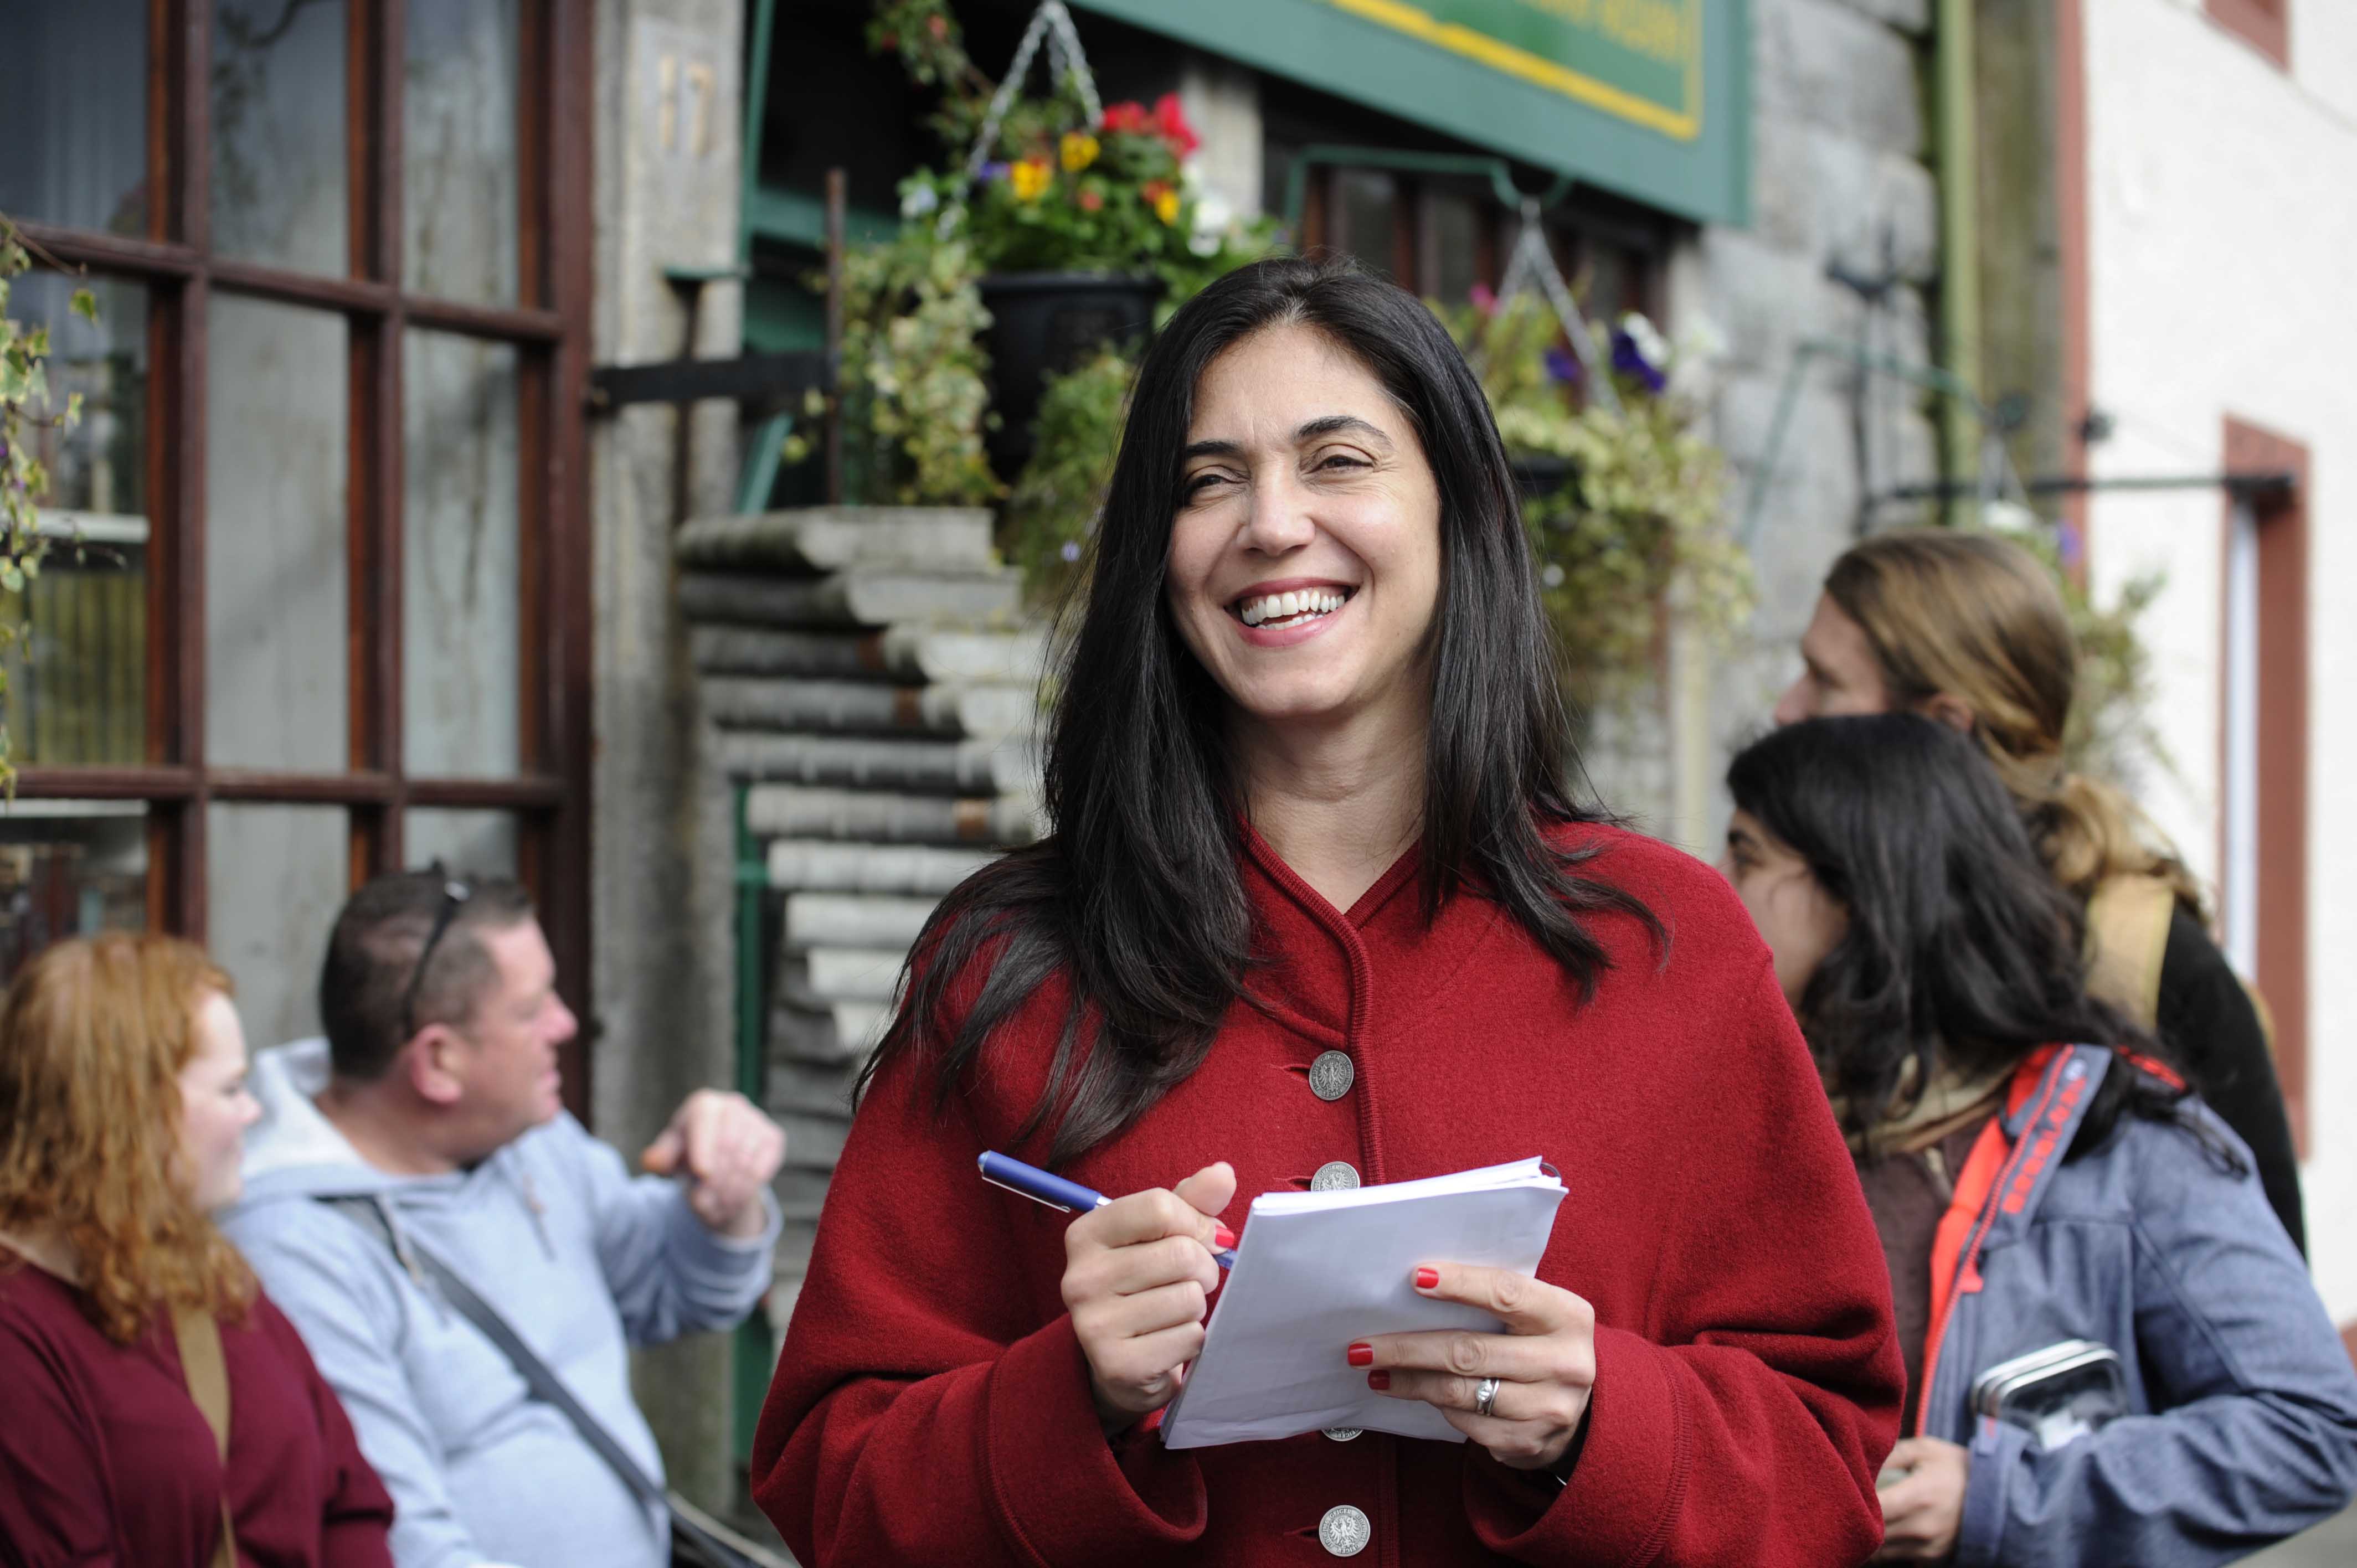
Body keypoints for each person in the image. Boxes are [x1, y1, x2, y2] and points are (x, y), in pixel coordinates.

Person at [753, 256, 1903, 1566]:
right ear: (1157, 550)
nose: (1271, 522)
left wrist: (1602, 1420)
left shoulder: (1666, 943)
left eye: (1339, 460)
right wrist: (1064, 1395)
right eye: (1208, 480)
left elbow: (1835, 1455)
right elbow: (832, 1492)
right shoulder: (1012, 964)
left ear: (1459, 510)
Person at [1720, 714, 2357, 1566]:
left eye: (1746, 854)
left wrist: (2001, 1499)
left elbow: (2311, 1429)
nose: (1714, 883)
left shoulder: (2125, 1143)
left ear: (1859, 891)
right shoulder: (1738, 1132)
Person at [218, 871, 788, 1568]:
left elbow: (681, 1294)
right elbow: (398, 1540)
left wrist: (725, 1203)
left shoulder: (530, 1139)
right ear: (438, 1061)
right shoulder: (294, 1249)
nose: (566, 1024)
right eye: (531, 1009)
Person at [1772, 527, 2306, 1252]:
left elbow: (2267, 1293)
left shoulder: (2151, 961)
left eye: (1825, 682)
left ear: (1944, 728)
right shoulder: (1817, 913)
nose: (1786, 709)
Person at [0, 933, 395, 1567]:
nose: (252, 1112)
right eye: (230, 1088)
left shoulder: (211, 1273)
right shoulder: (18, 1334)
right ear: (133, 1109)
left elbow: (350, 1500)